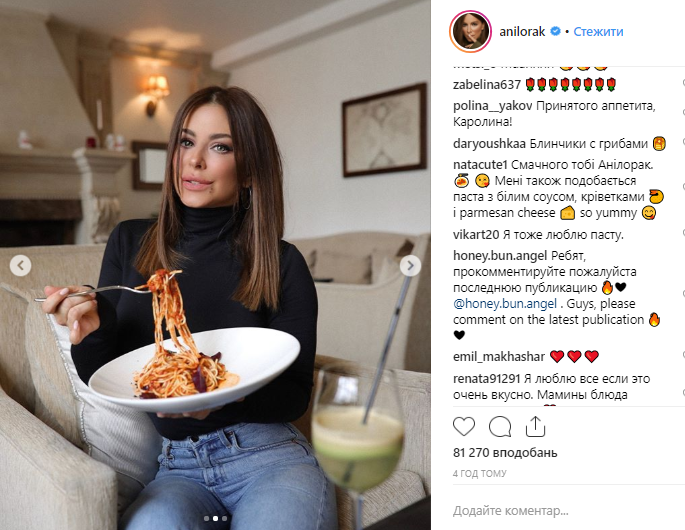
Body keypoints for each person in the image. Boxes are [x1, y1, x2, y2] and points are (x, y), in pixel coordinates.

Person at [42, 86, 338, 530]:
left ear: (250, 170)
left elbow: (294, 395)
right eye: (186, 141)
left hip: (268, 458)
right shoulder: (129, 241)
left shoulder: (281, 262)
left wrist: (217, 402)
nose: (194, 161)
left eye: (220, 147)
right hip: (178, 467)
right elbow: (104, 373)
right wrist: (90, 330)